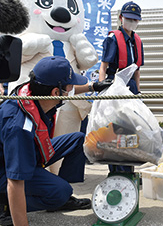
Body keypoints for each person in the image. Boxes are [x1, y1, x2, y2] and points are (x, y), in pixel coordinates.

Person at [0, 56, 92, 226]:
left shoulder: (36, 93)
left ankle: (58, 192)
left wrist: (93, 87)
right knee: (60, 192)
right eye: (69, 85)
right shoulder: (19, 126)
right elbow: (15, 181)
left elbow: (67, 92)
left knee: (78, 139)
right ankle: (5, 206)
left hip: (32, 150)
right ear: (56, 93)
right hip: (7, 170)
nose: (71, 88)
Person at [98, 1, 144, 95]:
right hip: (114, 83)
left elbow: (137, 71)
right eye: (128, 18)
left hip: (131, 86)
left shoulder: (138, 41)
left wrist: (138, 92)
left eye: (134, 19)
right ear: (121, 17)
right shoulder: (112, 39)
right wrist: (101, 90)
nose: (131, 22)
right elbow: (103, 67)